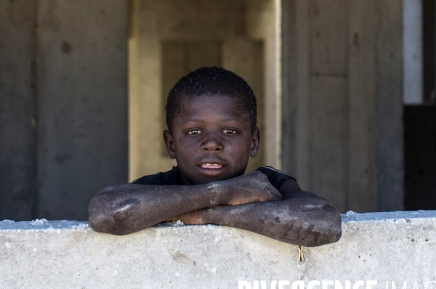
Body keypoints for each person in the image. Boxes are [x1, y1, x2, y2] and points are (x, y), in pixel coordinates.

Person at [88, 67, 341, 247]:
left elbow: (325, 224)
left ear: (254, 142)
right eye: (194, 131)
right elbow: (104, 213)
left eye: (230, 131)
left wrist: (208, 214)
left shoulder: (270, 183)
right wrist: (223, 193)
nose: (211, 144)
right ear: (171, 144)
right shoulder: (158, 188)